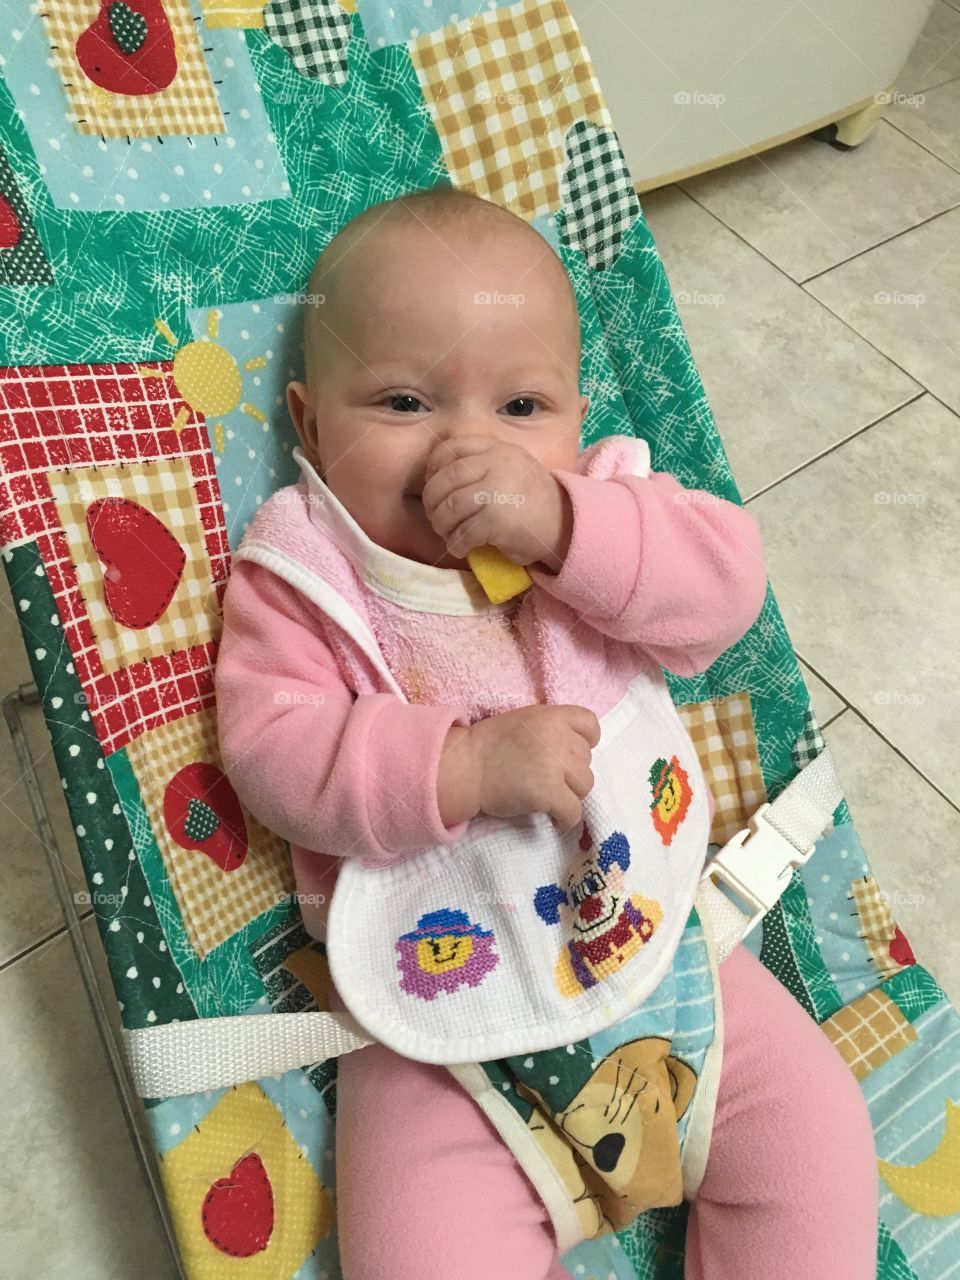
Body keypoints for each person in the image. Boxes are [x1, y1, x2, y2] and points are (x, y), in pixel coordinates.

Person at [214, 186, 878, 1279]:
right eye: (403, 401)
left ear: (577, 415)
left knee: (816, 1138)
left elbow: (724, 588)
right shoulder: (308, 574)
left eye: (521, 407)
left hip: (665, 959)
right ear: (308, 424)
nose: (468, 448)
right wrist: (459, 764)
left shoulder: (604, 507)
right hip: (440, 1042)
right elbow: (274, 750)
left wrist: (568, 523)